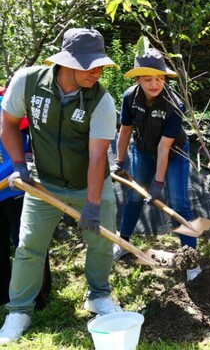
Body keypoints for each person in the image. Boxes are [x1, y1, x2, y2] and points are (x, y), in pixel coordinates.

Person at [0, 28, 123, 345]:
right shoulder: (28, 82)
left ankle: (98, 295)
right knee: (29, 247)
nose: (96, 71)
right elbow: (9, 123)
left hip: (90, 184)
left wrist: (93, 205)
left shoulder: (102, 101)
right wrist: (17, 165)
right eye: (88, 65)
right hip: (45, 184)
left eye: (100, 65)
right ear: (66, 63)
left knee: (99, 244)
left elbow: (98, 157)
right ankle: (19, 311)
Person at [111, 47, 201, 281]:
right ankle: (123, 242)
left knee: (180, 204)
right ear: (138, 79)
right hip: (142, 150)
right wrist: (119, 161)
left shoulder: (174, 103)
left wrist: (158, 184)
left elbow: (164, 147)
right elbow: (125, 130)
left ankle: (191, 259)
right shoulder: (130, 97)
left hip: (174, 153)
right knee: (134, 197)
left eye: (159, 78)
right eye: (148, 79)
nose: (154, 84)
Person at [0, 89, 52, 310]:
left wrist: (27, 163)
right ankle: (4, 295)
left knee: (27, 243)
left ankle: (37, 295)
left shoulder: (5, 100)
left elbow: (32, 132)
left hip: (14, 185)